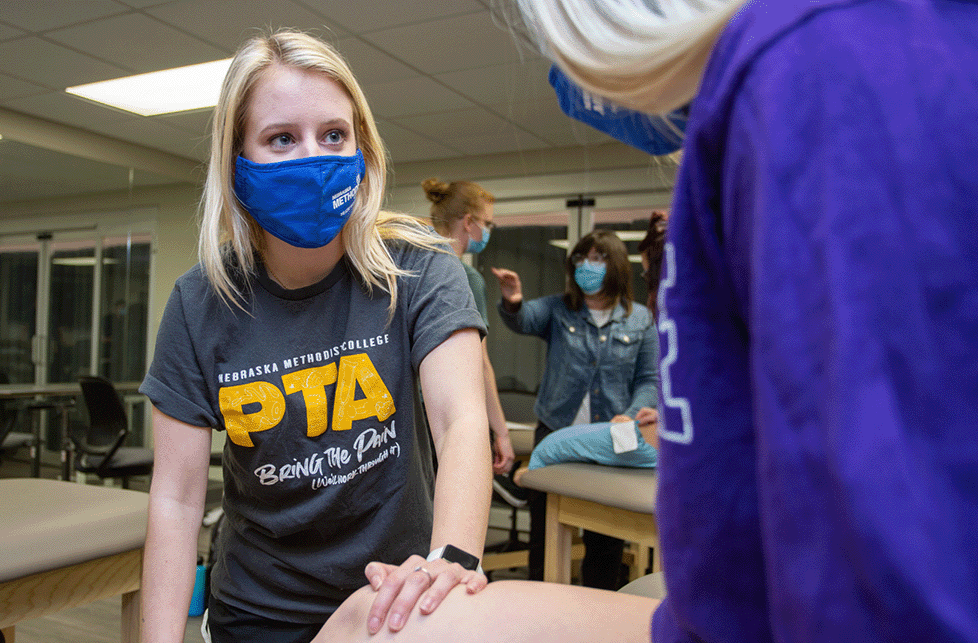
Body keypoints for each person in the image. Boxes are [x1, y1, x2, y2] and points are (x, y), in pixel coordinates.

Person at [313, 0, 978, 641]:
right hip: (723, 602)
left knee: (368, 624)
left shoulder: (806, 64)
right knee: (360, 618)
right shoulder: (738, 116)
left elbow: (891, 546)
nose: (561, 74)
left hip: (766, 613)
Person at [138, 29, 493, 643]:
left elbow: (460, 420)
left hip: (395, 604)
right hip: (256, 613)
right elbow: (175, 499)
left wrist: (452, 561)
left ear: (362, 146)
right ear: (238, 162)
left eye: (334, 134)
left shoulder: (421, 267)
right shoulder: (199, 303)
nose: (314, 156)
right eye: (282, 139)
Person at [492, 228, 659, 589]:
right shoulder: (558, 309)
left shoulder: (640, 319)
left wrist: (633, 413)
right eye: (581, 259)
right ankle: (539, 604)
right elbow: (523, 318)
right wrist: (513, 300)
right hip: (555, 432)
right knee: (545, 528)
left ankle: (598, 608)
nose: (588, 266)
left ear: (614, 265)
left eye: (597, 258)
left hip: (608, 439)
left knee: (605, 534)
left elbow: (649, 379)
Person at [422, 178, 517, 481]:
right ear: (468, 222)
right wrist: (501, 432)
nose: (487, 231)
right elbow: (480, 365)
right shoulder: (464, 277)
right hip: (444, 416)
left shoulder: (408, 265)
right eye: (486, 223)